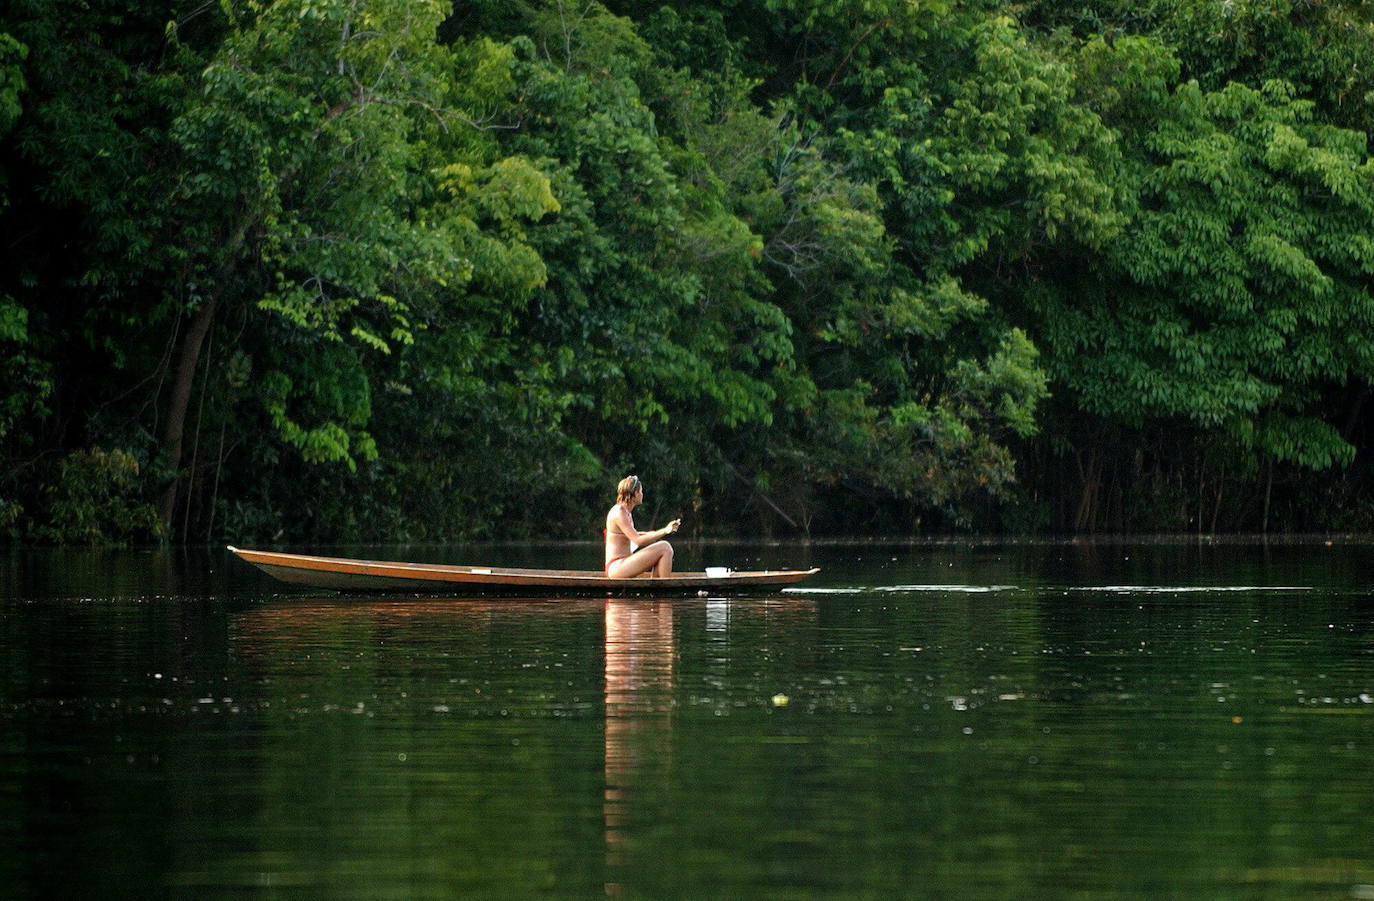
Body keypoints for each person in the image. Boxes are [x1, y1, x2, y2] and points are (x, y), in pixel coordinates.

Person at [604, 475, 681, 578]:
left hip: (623, 563)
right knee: (665, 547)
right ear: (635, 494)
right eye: (640, 491)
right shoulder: (619, 512)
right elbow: (638, 540)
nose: (642, 494)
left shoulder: (626, 511)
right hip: (616, 566)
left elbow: (637, 534)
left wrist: (659, 532)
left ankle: (657, 590)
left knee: (662, 548)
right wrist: (665, 531)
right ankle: (665, 590)